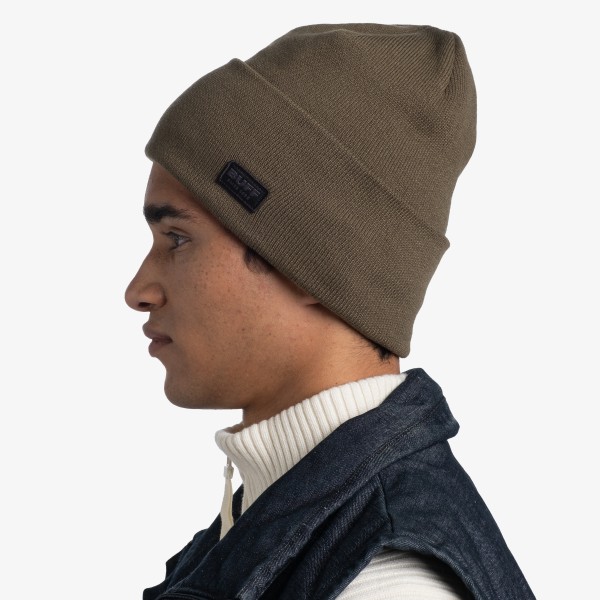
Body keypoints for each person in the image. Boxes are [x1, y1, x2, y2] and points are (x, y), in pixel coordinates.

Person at [125, 23, 536, 600]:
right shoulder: (288, 519)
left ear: (312, 260)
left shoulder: (384, 583)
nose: (139, 290)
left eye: (177, 239)